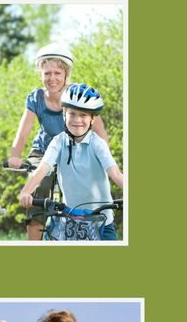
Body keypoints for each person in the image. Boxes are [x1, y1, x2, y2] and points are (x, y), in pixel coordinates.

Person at [5, 44, 108, 240]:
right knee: (39, 185)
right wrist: (15, 156)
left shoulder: (76, 94)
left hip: (71, 151)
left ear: (66, 73)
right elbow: (23, 131)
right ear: (40, 74)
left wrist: (105, 157)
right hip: (42, 152)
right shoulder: (36, 97)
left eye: (57, 73)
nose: (51, 78)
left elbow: (99, 130)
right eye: (47, 73)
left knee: (79, 187)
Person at [15, 83, 124, 239]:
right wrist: (26, 191)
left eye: (83, 115)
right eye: (72, 114)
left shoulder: (97, 144)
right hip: (71, 220)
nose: (77, 120)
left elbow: (115, 174)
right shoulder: (58, 142)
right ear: (64, 113)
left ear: (93, 119)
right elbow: (43, 168)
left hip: (102, 221)